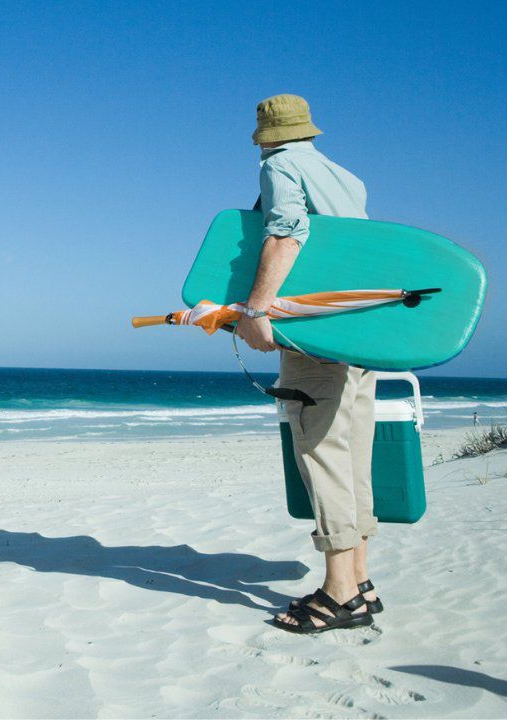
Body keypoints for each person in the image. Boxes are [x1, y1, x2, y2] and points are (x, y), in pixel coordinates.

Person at [234, 95, 379, 633]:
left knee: (320, 452)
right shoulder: (347, 177)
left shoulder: (279, 166)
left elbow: (287, 232)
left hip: (313, 334)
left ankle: (340, 593)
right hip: (359, 333)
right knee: (353, 454)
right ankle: (360, 579)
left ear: (266, 134)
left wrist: (256, 310)